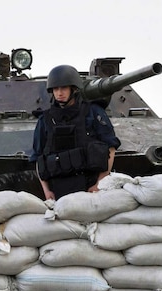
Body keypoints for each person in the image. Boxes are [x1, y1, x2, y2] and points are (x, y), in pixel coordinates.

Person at [31, 65, 121, 200]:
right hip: (58, 189)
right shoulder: (45, 119)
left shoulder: (93, 112)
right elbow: (38, 158)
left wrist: (99, 184)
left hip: (91, 186)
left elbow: (111, 147)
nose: (59, 93)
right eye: (55, 89)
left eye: (64, 88)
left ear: (74, 89)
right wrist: (46, 191)